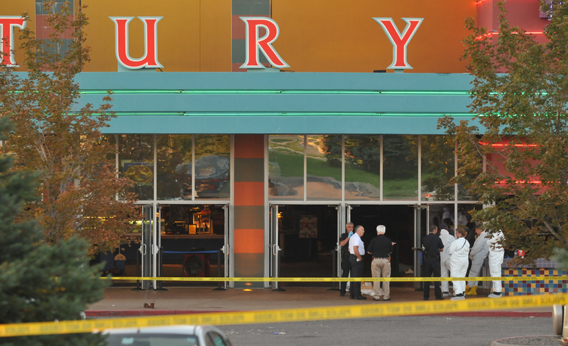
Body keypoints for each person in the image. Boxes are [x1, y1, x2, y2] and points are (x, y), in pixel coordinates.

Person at [367, 225, 394, 301]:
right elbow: (391, 251)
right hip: (385, 260)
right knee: (386, 279)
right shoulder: (388, 240)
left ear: (377, 231)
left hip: (376, 260)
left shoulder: (374, 240)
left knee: (376, 279)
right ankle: (386, 296)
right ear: (384, 231)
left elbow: (369, 251)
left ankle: (376, 296)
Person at [422, 225, 445, 301]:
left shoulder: (424, 238)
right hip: (435, 260)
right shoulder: (437, 239)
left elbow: (424, 247)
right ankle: (438, 296)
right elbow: (442, 249)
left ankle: (426, 296)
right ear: (434, 230)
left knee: (427, 279)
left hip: (427, 260)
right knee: (437, 279)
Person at [465, 224, 489, 296]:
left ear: (480, 229)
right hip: (480, 256)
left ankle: (468, 287)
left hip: (478, 256)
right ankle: (473, 289)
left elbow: (477, 247)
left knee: (473, 272)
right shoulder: (484, 236)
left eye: (476, 230)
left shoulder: (483, 236)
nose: (475, 231)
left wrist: (471, 253)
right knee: (476, 273)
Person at [448, 228, 470, 301]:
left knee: (455, 276)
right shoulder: (467, 242)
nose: (456, 234)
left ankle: (458, 293)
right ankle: (462, 291)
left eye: (457, 233)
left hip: (456, 261)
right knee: (462, 276)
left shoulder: (456, 242)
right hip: (465, 261)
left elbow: (450, 251)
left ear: (460, 234)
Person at [349, 225, 366, 300]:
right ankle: (357, 295)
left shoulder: (353, 237)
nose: (363, 231)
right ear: (358, 230)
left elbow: (349, 249)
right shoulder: (356, 238)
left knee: (353, 276)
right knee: (357, 277)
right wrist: (359, 257)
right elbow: (355, 248)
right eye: (362, 230)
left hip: (352, 257)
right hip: (356, 258)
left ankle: (352, 293)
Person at [487, 230, 505, 298]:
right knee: (494, 273)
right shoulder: (496, 234)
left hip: (496, 256)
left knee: (495, 273)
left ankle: (497, 292)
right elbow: (489, 242)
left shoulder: (500, 235)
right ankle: (496, 291)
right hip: (494, 256)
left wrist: (490, 241)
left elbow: (489, 242)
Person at [439, 226, 455, 297]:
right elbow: (455, 247)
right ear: (447, 229)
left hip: (442, 258)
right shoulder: (451, 237)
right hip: (450, 258)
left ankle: (445, 291)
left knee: (444, 274)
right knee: (454, 273)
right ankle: (456, 291)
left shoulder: (439, 237)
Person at [339, 222, 354, 297]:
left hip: (353, 256)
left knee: (353, 274)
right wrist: (348, 237)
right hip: (346, 257)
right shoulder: (343, 235)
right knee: (345, 273)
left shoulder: (355, 236)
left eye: (352, 227)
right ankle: (342, 291)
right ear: (346, 228)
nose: (351, 228)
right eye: (349, 227)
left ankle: (352, 291)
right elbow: (342, 244)